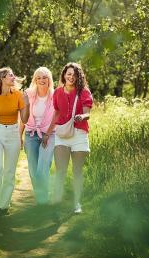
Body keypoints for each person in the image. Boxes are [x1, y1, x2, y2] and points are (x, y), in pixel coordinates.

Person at [44, 62, 93, 214]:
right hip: (62, 135)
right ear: (64, 75)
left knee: (77, 171)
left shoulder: (83, 92)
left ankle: (76, 203)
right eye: (69, 74)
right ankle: (57, 200)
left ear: (79, 76)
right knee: (61, 170)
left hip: (79, 134)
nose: (71, 77)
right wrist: (47, 133)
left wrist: (82, 116)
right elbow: (56, 114)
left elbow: (88, 113)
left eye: (74, 74)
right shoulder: (57, 92)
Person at [0, 67, 29, 212]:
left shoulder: (19, 95)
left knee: (9, 171)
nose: (13, 77)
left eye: (13, 75)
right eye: (10, 75)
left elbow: (25, 119)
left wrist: (27, 103)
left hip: (13, 133)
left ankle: (4, 204)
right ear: (1, 78)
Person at [20, 67, 56, 205]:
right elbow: (22, 117)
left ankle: (44, 200)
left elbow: (57, 117)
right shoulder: (28, 94)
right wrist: (20, 136)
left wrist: (47, 134)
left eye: (44, 77)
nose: (41, 80)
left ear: (49, 79)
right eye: (38, 78)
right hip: (31, 134)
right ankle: (40, 197)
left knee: (42, 167)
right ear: (35, 80)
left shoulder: (55, 95)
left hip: (50, 134)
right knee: (33, 170)